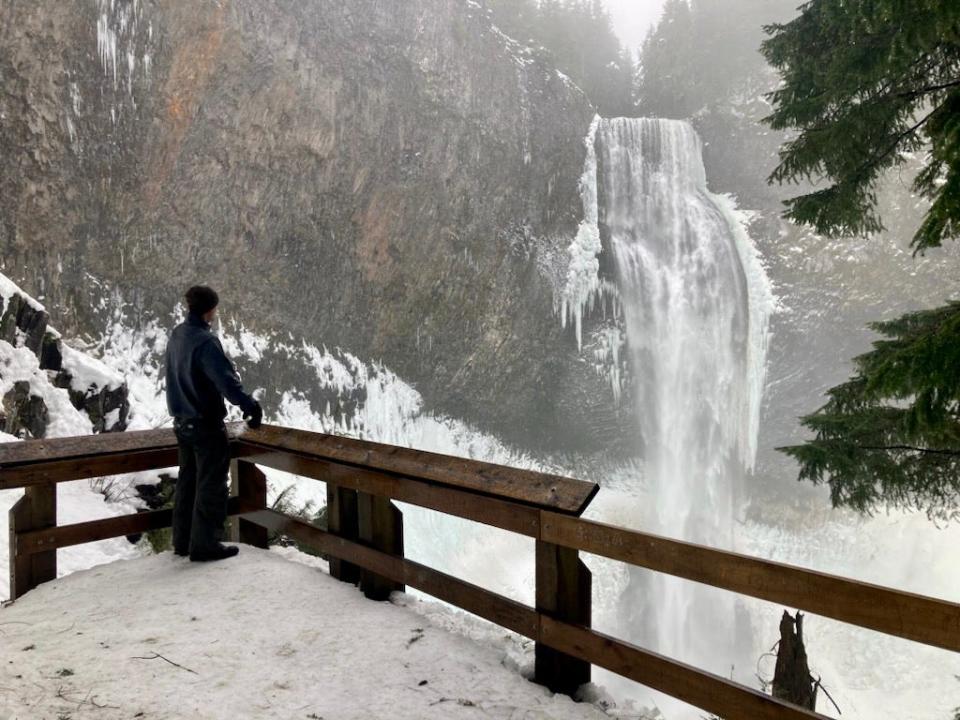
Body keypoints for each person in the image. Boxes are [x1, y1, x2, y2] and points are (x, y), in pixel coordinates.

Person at [164, 286, 263, 562]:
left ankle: (182, 541)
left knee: (188, 482)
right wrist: (250, 406)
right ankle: (205, 544)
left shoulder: (178, 335)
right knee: (211, 485)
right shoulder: (205, 342)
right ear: (210, 310)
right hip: (205, 424)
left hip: (182, 423)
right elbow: (226, 382)